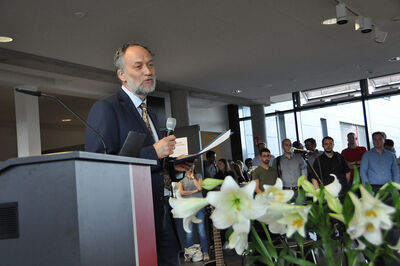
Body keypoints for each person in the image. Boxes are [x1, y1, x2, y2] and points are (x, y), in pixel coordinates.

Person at [85, 43, 191, 265]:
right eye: (139, 66)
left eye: (151, 65)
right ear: (122, 74)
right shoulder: (107, 108)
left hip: (162, 208)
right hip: (132, 215)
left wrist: (172, 167)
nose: (148, 71)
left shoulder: (149, 111)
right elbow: (98, 167)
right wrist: (153, 152)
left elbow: (151, 163)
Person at [177, 165, 209, 261]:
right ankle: (189, 254)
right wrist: (194, 190)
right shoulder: (180, 178)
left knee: (201, 231)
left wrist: (192, 178)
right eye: (188, 166)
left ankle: (205, 252)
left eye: (192, 166)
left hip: (198, 206)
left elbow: (200, 188)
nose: (190, 168)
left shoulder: (198, 176)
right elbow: (181, 192)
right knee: (189, 231)